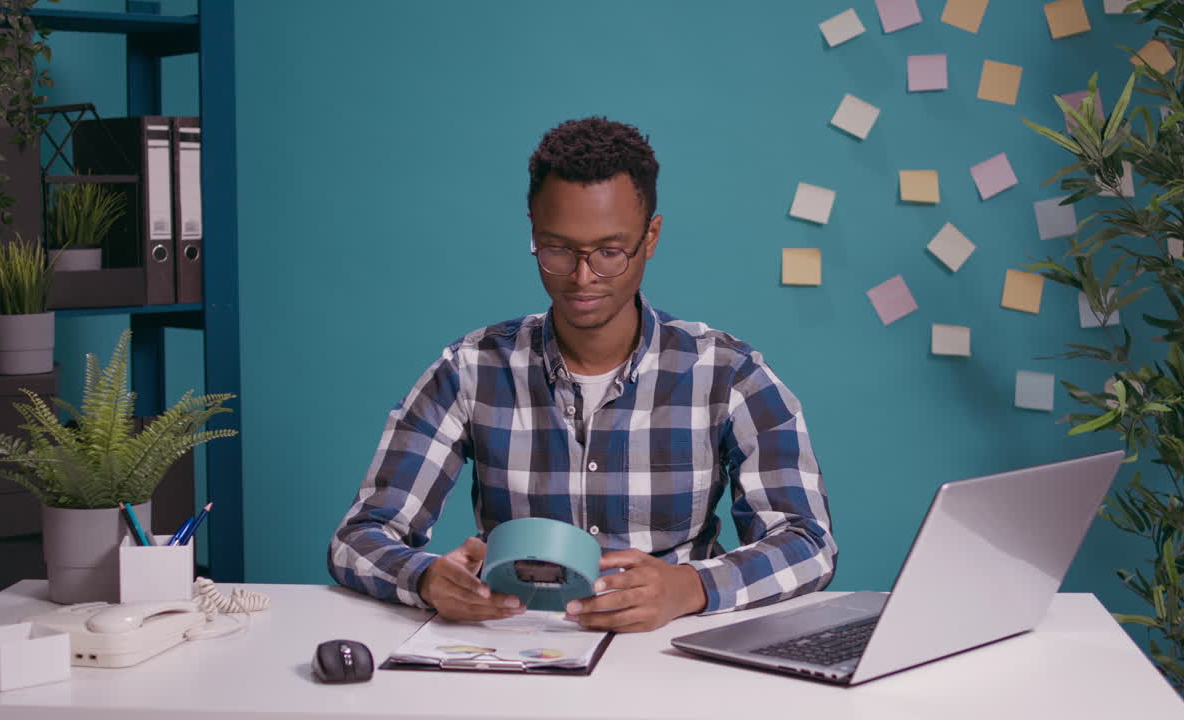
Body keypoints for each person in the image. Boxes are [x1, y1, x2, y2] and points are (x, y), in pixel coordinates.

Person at [328, 117, 836, 633]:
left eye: (610, 252)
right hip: (514, 644)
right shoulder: (471, 369)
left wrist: (691, 588)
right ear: (533, 231)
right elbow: (359, 537)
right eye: (558, 250)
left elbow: (807, 543)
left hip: (669, 651)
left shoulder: (729, 374)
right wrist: (425, 578)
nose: (582, 277)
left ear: (650, 237)